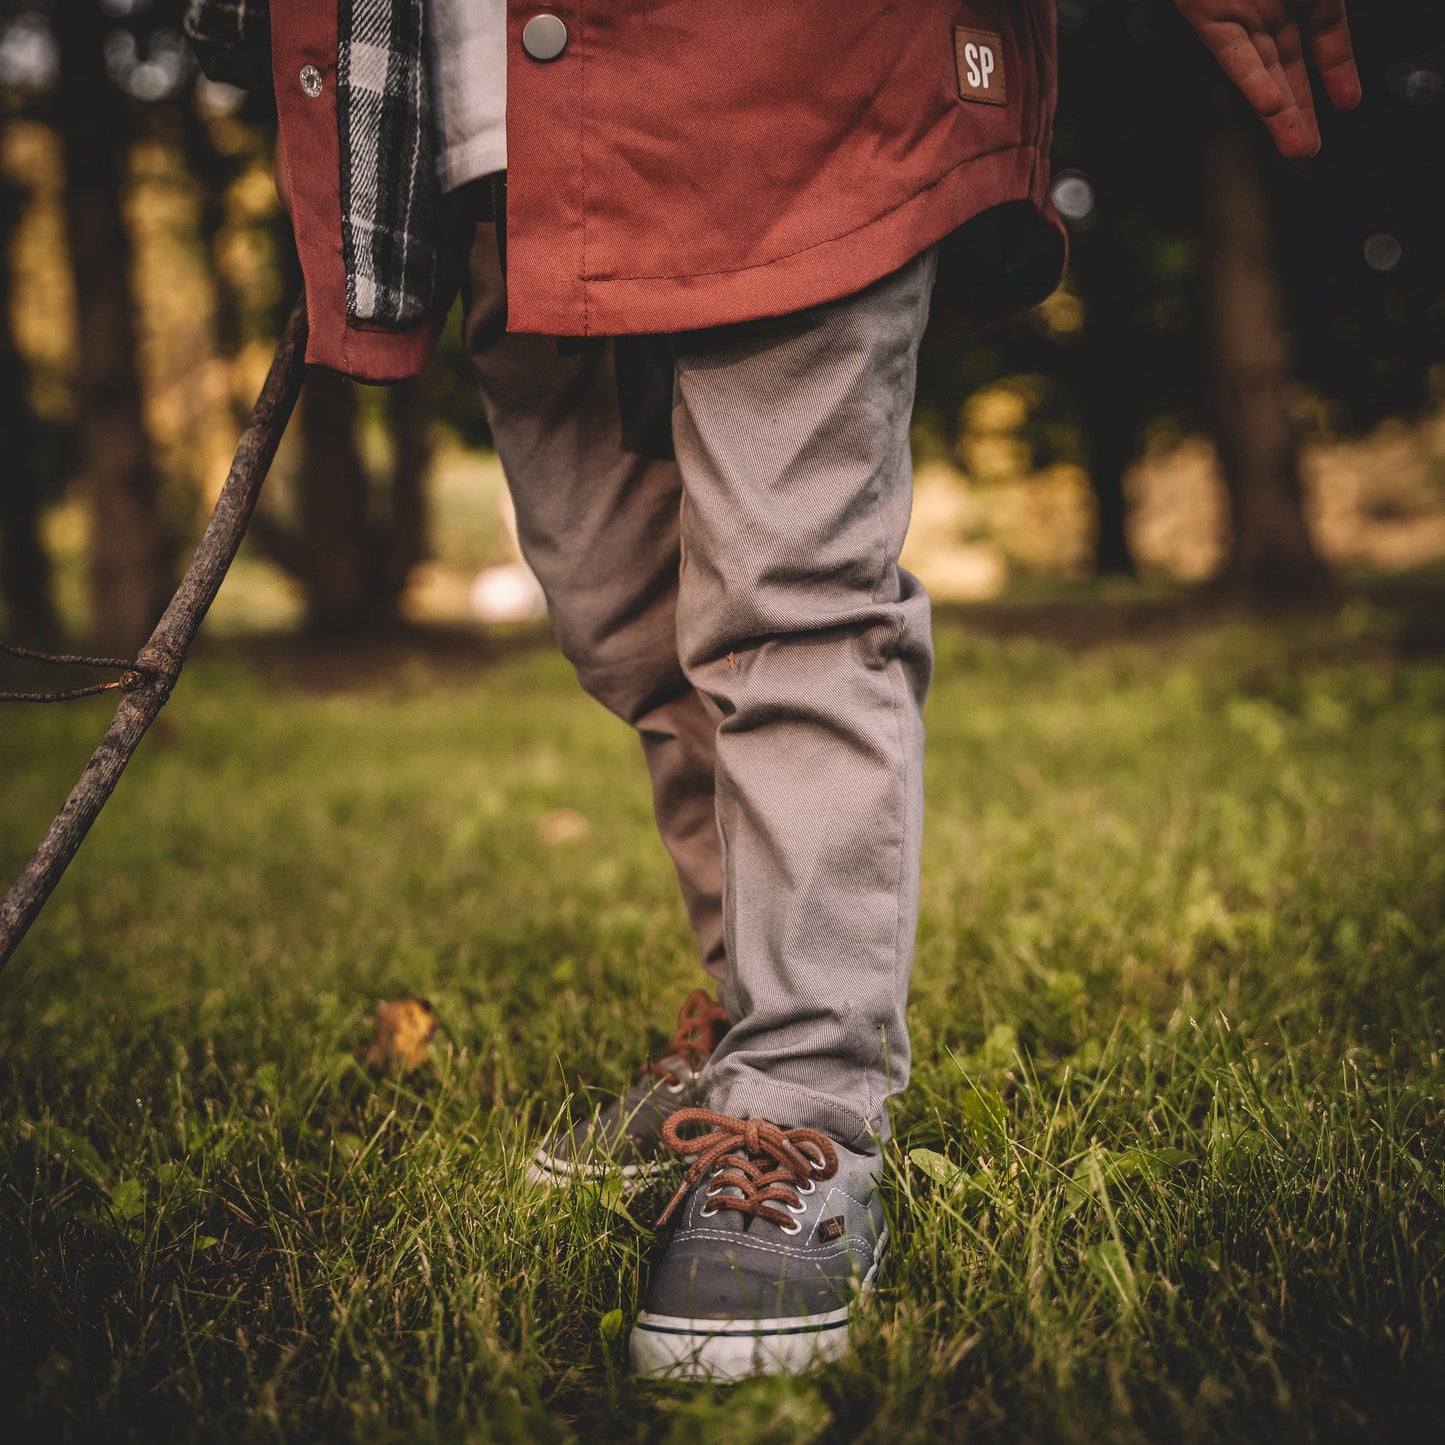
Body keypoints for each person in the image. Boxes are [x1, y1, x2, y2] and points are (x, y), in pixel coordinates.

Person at [184, 0, 1359, 1382]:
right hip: (485, 126)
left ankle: (803, 1103)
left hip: (786, 75)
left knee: (788, 602)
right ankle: (747, 1017)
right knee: (626, 620)